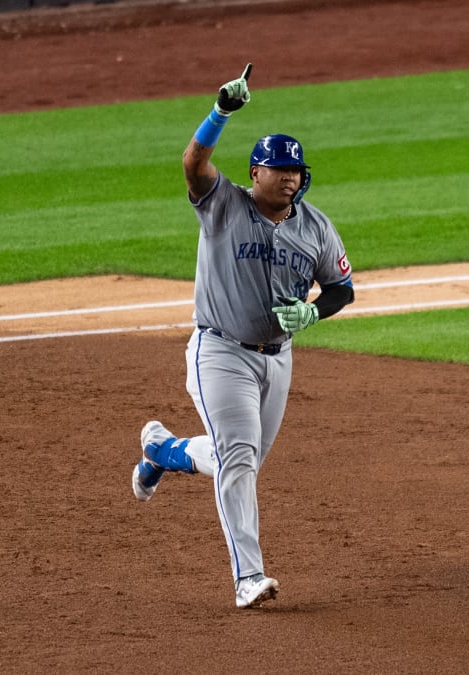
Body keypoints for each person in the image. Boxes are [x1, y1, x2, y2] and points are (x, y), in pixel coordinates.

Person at [130, 64, 354, 609]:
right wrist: (220, 113)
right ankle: (247, 577)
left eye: (296, 170)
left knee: (243, 459)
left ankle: (162, 450)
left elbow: (342, 289)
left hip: (277, 360)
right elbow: (193, 162)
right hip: (220, 351)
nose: (290, 178)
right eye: (278, 169)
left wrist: (313, 315)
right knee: (238, 461)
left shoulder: (315, 226)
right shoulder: (222, 205)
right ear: (255, 173)